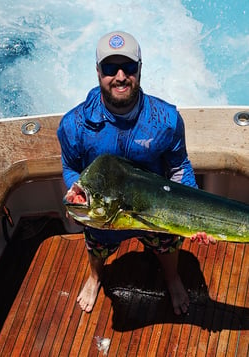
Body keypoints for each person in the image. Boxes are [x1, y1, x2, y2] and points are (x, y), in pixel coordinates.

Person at [57, 31, 215, 316]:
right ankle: (95, 278)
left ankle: (172, 278)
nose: (120, 76)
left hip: (153, 213)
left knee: (168, 245)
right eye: (110, 68)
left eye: (128, 67)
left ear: (139, 69)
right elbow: (70, 168)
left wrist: (194, 214)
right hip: (103, 216)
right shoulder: (74, 124)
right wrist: (73, 190)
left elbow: (179, 168)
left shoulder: (165, 119)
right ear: (97, 72)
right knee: (95, 247)